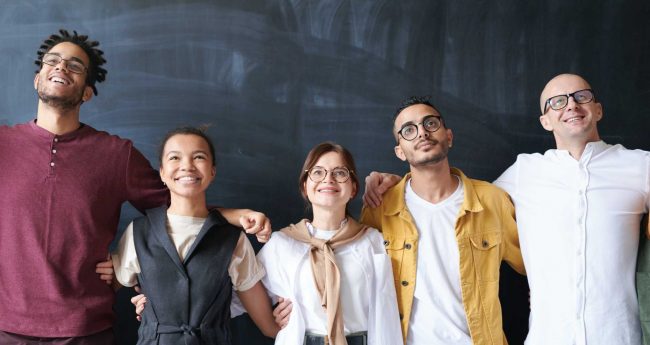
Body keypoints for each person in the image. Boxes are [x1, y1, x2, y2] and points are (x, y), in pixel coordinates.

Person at [0, 29, 269, 344]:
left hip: (85, 329)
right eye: (53, 61)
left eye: (74, 66)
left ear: (87, 92)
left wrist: (233, 215)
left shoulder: (116, 154)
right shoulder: (4, 145)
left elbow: (178, 206)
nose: (61, 68)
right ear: (37, 78)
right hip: (7, 325)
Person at [365, 75, 650, 345]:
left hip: (619, 334)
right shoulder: (524, 172)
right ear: (545, 120)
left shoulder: (640, 166)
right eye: (558, 101)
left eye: (581, 96)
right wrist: (390, 182)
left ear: (598, 109)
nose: (572, 105)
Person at [359, 96, 524, 345]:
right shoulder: (380, 207)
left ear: (449, 136)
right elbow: (359, 280)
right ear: (400, 151)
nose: (422, 133)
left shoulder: (492, 201)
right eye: (409, 130)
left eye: (430, 123)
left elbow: (532, 264)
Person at [111, 127, 279, 344]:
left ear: (212, 171)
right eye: (175, 157)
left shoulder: (231, 239)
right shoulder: (139, 232)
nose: (187, 166)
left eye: (199, 157)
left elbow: (268, 326)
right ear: (162, 172)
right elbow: (108, 288)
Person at [257, 142, 402, 345]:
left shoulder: (374, 241)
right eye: (317, 172)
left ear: (353, 188)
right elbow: (243, 288)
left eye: (340, 173)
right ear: (305, 187)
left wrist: (397, 182)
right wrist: (269, 320)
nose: (328, 179)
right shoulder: (282, 244)